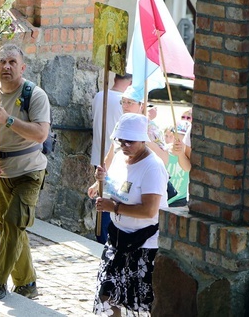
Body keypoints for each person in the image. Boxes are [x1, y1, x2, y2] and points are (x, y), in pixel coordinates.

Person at [0, 44, 50, 301]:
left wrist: (8, 120)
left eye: (12, 62)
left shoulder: (34, 96)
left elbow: (41, 133)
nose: (6, 66)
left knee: (15, 221)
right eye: (2, 62)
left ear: (22, 67)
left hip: (29, 172)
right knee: (10, 228)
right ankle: (27, 284)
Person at [88, 113, 168, 316]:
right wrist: (100, 182)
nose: (124, 145)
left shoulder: (152, 167)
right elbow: (118, 187)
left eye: (129, 141)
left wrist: (112, 208)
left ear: (143, 140)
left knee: (138, 304)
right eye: (120, 139)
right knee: (106, 294)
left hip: (144, 244)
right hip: (117, 238)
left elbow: (150, 210)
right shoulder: (118, 155)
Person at [92, 73, 132, 244]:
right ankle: (106, 239)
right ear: (130, 82)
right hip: (114, 160)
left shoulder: (99, 95)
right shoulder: (121, 103)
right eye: (127, 103)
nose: (126, 105)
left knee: (104, 202)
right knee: (111, 202)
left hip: (98, 155)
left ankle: (103, 235)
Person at [167, 109, 192, 206]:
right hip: (164, 197)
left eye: (184, 137)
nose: (180, 141)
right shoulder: (164, 151)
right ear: (172, 135)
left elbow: (187, 168)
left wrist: (181, 154)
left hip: (180, 199)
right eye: (177, 136)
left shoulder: (188, 155)